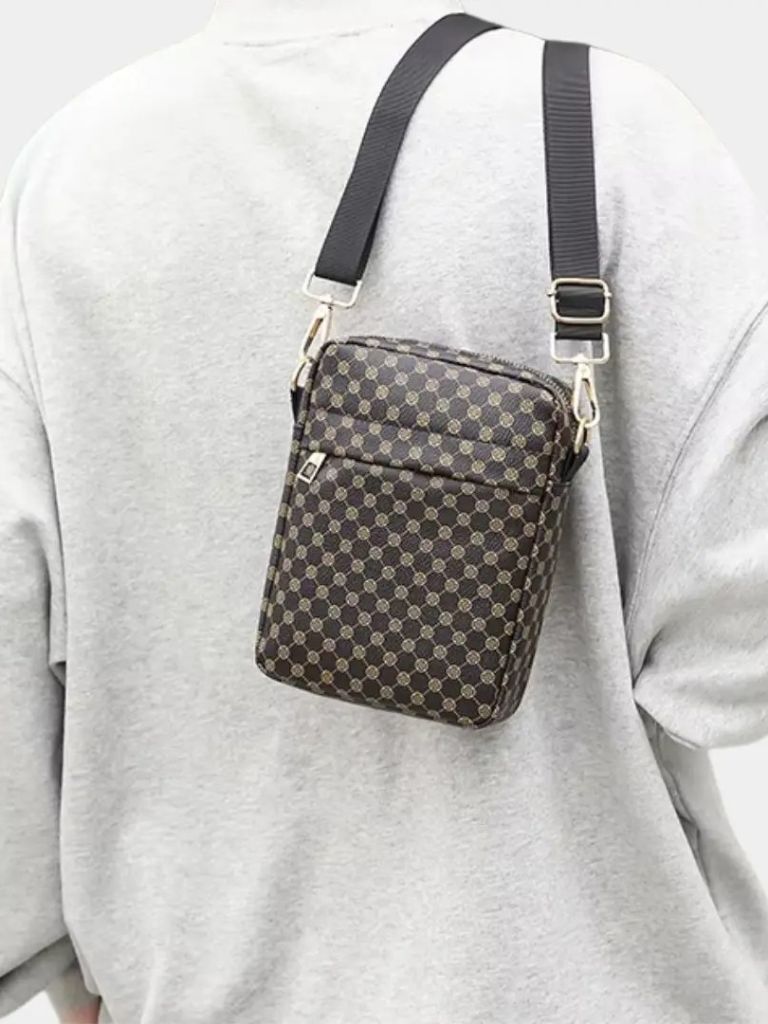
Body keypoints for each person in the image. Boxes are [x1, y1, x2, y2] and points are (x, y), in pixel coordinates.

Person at [1, 1, 767, 1021]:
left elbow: (12, 644)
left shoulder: (70, 166)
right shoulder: (609, 127)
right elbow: (727, 659)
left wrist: (74, 973)